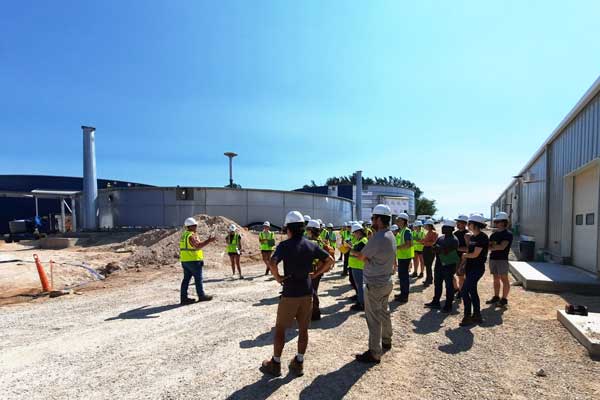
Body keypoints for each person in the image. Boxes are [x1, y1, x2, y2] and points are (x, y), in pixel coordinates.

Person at [260, 211, 334, 377]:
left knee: (280, 329)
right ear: (302, 228)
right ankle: (299, 363)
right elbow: (330, 260)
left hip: (290, 293)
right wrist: (315, 274)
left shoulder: (284, 246)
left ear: (288, 228)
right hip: (307, 293)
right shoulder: (311, 245)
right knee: (303, 330)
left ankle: (275, 363)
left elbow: (272, 262)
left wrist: (278, 277)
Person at [352, 204, 396, 364]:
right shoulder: (390, 235)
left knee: (373, 318)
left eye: (373, 218)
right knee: (384, 312)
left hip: (375, 284)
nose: (371, 221)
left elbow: (362, 257)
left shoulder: (378, 237)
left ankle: (375, 353)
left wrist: (354, 252)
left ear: (378, 219)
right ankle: (386, 340)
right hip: (386, 281)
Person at [460, 214, 489, 327]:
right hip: (470, 268)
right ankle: (477, 315)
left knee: (464, 291)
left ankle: (467, 316)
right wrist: (463, 264)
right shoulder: (472, 237)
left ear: (475, 225)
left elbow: (475, 254)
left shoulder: (482, 237)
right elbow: (469, 252)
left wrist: (464, 255)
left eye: (469, 223)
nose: (468, 225)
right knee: (472, 291)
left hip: (477, 269)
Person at [179, 217, 216, 304]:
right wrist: (209, 241)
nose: (196, 227)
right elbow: (197, 246)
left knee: (186, 279)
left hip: (185, 261)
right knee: (198, 279)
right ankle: (201, 296)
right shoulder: (191, 235)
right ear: (190, 226)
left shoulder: (184, 235)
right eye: (195, 225)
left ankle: (183, 298)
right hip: (193, 261)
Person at [425, 220, 459, 312]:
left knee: (449, 286)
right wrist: (436, 249)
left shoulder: (454, 240)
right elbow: (434, 248)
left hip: (449, 265)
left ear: (451, 229)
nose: (443, 228)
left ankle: (448, 305)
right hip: (439, 265)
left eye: (445, 227)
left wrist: (439, 249)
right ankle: (436, 302)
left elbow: (447, 252)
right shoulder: (441, 238)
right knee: (437, 284)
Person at [305, 219, 334, 320]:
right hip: (318, 269)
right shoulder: (320, 241)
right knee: (314, 290)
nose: (306, 231)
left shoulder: (311, 242)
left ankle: (315, 313)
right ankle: (314, 312)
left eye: (308, 229)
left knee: (311, 291)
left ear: (311, 230)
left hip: (311, 269)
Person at [487, 212, 513, 308]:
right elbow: (490, 247)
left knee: (504, 279)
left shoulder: (508, 234)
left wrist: (493, 247)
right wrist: (494, 247)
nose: (496, 223)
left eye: (497, 221)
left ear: (503, 222)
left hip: (502, 259)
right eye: (495, 221)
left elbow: (502, 247)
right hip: (493, 258)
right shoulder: (493, 235)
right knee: (495, 279)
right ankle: (496, 297)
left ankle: (504, 299)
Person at [393, 213, 413, 304]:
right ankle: (402, 294)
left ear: (404, 221)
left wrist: (397, 247)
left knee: (404, 277)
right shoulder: (401, 231)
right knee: (401, 276)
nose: (397, 222)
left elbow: (408, 244)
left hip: (405, 257)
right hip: (402, 256)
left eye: (399, 220)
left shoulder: (406, 231)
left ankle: (404, 296)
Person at [348, 223, 369, 311]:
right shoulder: (359, 240)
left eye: (354, 233)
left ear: (358, 232)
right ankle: (360, 300)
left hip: (359, 266)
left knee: (360, 285)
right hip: (356, 266)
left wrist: (351, 250)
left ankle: (361, 303)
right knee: (358, 285)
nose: (354, 235)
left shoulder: (363, 241)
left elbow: (360, 254)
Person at [453, 214, 471, 301]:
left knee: (462, 276)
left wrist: (456, 248)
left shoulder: (468, 234)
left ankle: (462, 292)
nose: (457, 224)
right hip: (456, 258)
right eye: (457, 222)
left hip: (465, 258)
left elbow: (469, 249)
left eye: (459, 222)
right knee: (457, 275)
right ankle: (459, 290)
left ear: (464, 223)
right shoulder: (455, 233)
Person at [421, 219, 438, 286]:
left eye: (426, 225)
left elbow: (433, 243)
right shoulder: (428, 232)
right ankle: (429, 279)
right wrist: (422, 241)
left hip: (430, 250)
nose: (424, 226)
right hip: (426, 249)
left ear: (429, 226)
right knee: (427, 265)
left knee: (428, 265)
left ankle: (429, 280)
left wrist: (424, 242)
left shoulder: (434, 233)